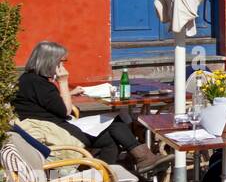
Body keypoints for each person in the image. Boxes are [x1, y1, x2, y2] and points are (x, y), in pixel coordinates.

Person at [12, 41, 168, 172]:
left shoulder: (28, 80)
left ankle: (124, 168)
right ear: (50, 61)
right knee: (115, 127)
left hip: (52, 126)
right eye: (61, 62)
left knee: (112, 135)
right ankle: (140, 160)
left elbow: (44, 103)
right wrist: (63, 82)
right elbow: (65, 111)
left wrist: (68, 93)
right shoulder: (41, 84)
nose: (62, 66)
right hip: (58, 132)